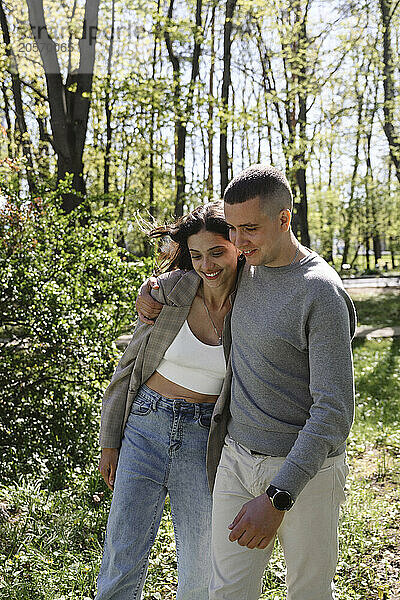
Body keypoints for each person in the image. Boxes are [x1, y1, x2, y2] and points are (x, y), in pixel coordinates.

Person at [137, 165, 356, 600]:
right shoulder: (245, 270)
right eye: (233, 229)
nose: (238, 243)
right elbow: (199, 271)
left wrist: (278, 497)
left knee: (308, 593)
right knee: (227, 592)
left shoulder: (320, 293)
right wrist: (153, 287)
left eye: (250, 229)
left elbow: (334, 412)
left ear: (284, 218)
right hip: (236, 461)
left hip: (305, 473)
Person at [95, 202, 242, 600]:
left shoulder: (253, 303)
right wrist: (110, 443)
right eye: (196, 255)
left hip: (203, 440)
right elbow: (127, 370)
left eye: (216, 252)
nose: (206, 265)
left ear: (237, 246)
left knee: (199, 567)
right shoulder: (172, 290)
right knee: (121, 558)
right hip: (144, 425)